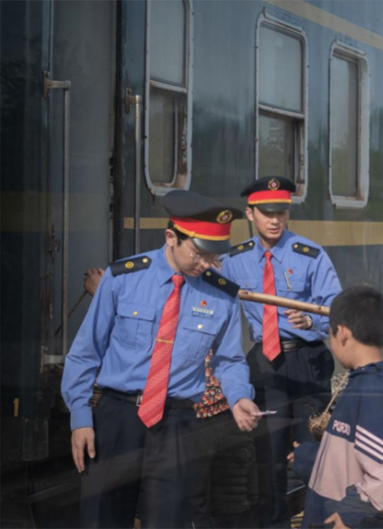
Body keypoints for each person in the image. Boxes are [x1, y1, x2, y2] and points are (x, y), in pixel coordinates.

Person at [61, 190, 260, 528]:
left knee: (169, 520)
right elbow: (86, 352)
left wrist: (239, 396)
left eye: (213, 256)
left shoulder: (222, 294)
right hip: (117, 419)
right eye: (198, 253)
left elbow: (229, 360)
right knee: (102, 518)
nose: (205, 264)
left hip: (177, 425)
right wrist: (80, 418)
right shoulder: (123, 278)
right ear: (171, 237)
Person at [223, 176, 342, 527]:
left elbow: (336, 308)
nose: (275, 220)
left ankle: (321, 520)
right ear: (250, 213)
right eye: (267, 213)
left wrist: (312, 321)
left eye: (281, 212)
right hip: (266, 363)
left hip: (307, 360)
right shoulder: (235, 260)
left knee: (312, 450)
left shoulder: (311, 255)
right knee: (268, 455)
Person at [291, 286, 383, 528]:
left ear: (341, 333)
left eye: (330, 334)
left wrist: (350, 514)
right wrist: (308, 457)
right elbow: (356, 452)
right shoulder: (365, 384)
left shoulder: (373, 391)